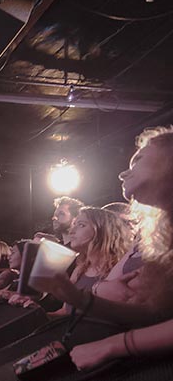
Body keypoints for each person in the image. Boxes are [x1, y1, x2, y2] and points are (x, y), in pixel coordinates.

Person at [32, 126, 173, 342]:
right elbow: (151, 315)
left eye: (138, 159)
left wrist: (117, 345)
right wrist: (74, 297)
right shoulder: (153, 241)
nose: (122, 174)